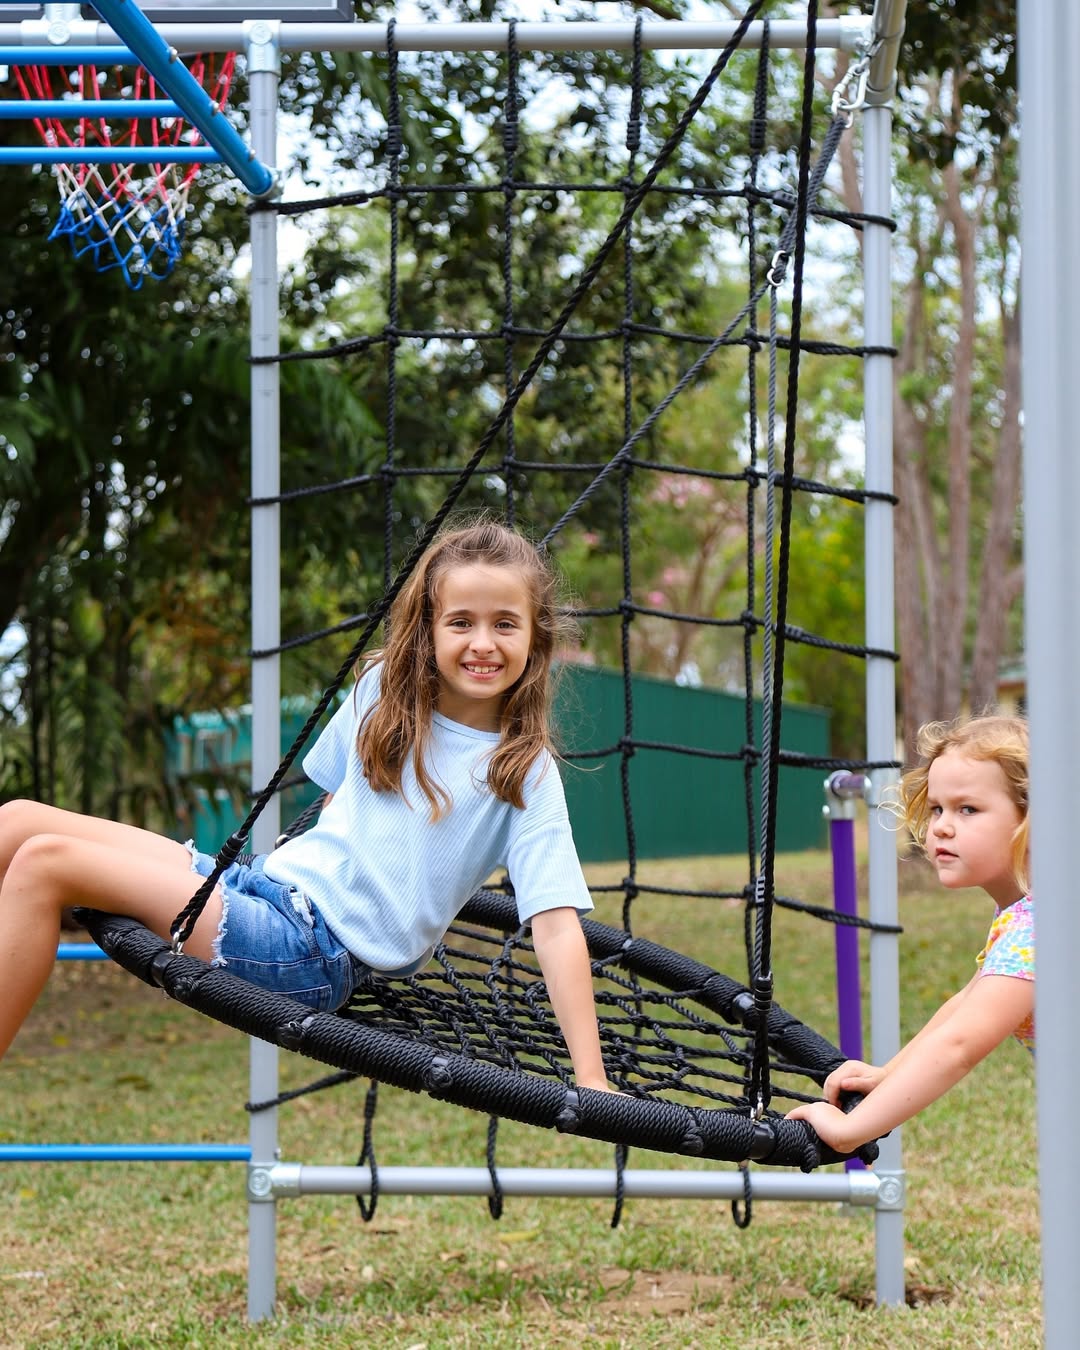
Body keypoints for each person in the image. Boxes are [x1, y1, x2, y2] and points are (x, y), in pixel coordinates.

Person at [0, 520, 610, 1091]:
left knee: (46, 863)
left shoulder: (521, 771)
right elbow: (339, 797)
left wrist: (590, 1077)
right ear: (427, 630)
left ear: (536, 637)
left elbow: (556, 928)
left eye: (505, 624)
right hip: (265, 887)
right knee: (18, 819)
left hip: (310, 953)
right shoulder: (382, 690)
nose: (482, 643)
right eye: (460, 622)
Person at [786, 713, 1034, 1154]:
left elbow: (959, 1047)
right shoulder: (1027, 912)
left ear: (1033, 819)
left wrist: (850, 1130)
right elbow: (965, 1005)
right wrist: (889, 1074)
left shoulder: (1038, 929)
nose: (941, 826)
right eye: (937, 808)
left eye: (968, 809)